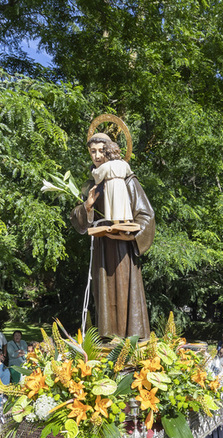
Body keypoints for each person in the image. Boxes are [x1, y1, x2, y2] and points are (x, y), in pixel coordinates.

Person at [70, 133, 155, 339]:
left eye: (101, 150)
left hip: (124, 249)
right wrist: (87, 206)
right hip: (102, 250)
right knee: (105, 295)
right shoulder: (91, 185)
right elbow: (78, 222)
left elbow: (146, 215)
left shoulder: (127, 180)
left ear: (108, 151)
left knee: (127, 291)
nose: (97, 156)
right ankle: (108, 339)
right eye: (93, 151)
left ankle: (132, 340)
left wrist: (131, 235)